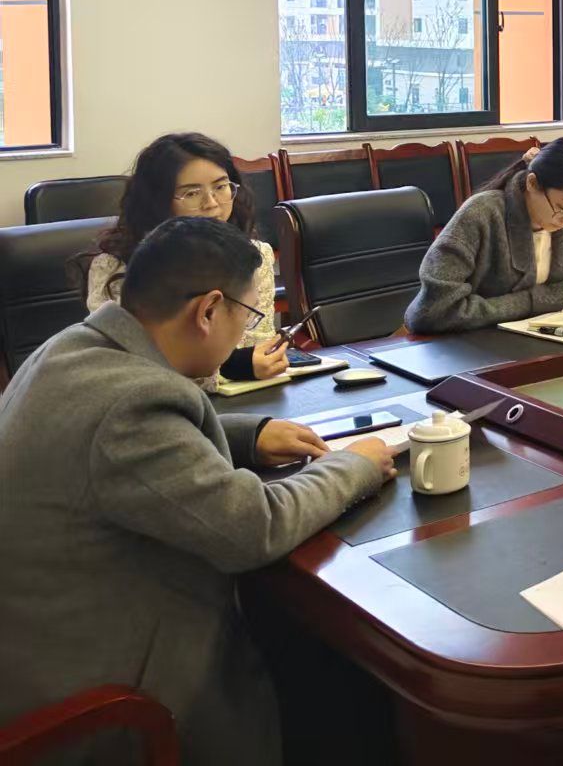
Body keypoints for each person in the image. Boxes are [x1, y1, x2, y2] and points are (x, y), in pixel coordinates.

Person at [0, 217, 397, 766]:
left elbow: (122, 440)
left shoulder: (74, 346)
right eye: (247, 315)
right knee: (348, 684)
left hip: (39, 637)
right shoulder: (133, 405)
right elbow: (253, 527)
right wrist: (357, 465)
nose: (245, 332)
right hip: (100, 691)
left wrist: (251, 435)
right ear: (209, 310)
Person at [86, 132, 289, 387]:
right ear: (157, 200)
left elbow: (258, 345)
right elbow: (129, 365)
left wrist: (258, 362)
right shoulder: (115, 267)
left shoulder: (254, 256)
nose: (211, 204)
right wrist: (234, 368)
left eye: (221, 186)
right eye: (192, 193)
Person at [405, 136, 563, 333]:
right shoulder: (480, 215)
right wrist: (530, 303)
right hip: (473, 346)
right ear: (532, 183)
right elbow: (435, 310)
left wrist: (536, 301)